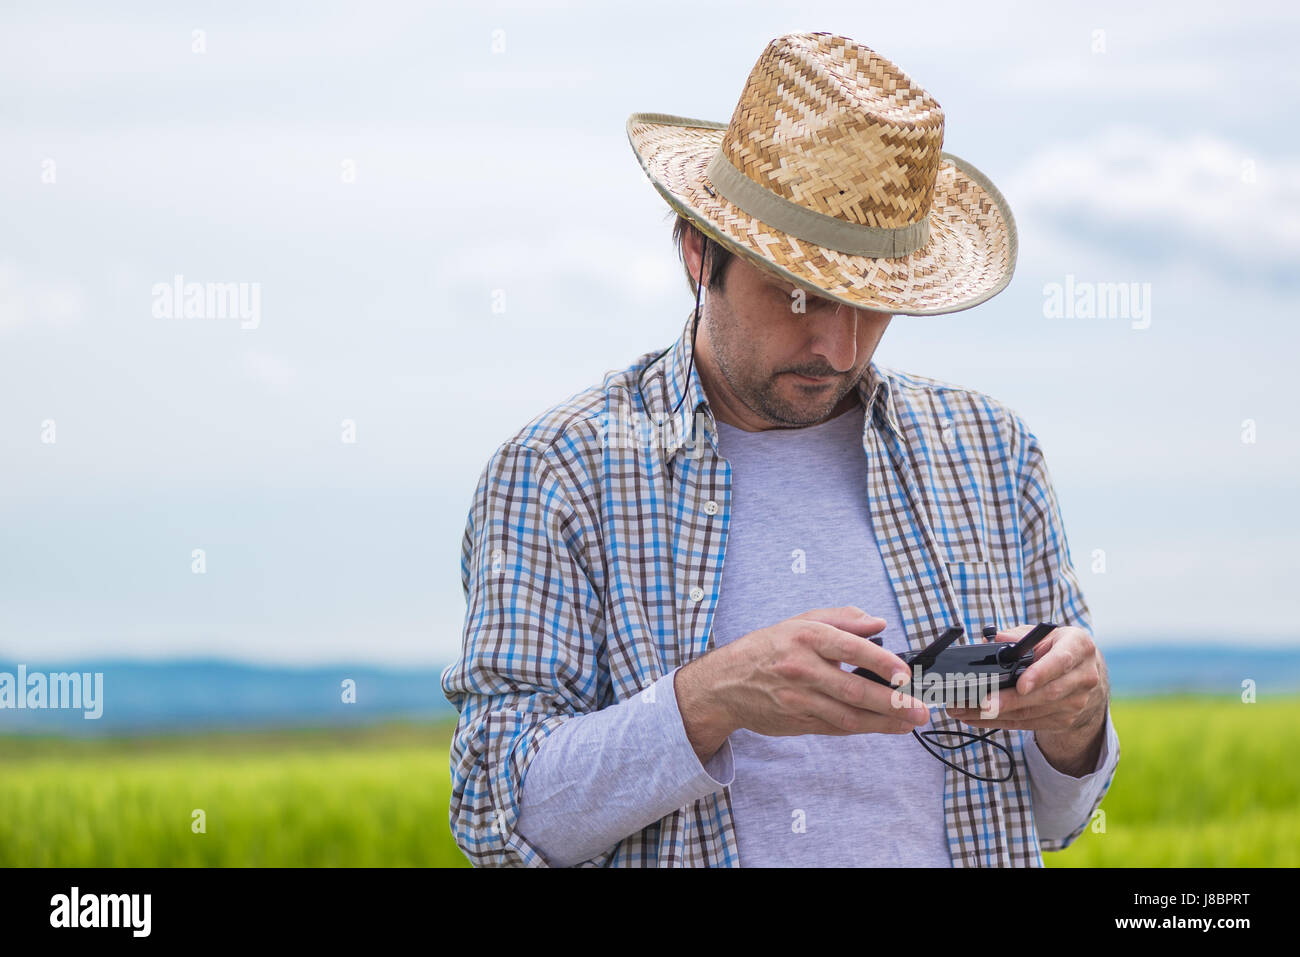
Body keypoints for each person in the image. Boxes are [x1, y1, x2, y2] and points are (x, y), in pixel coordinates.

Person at [441, 31, 1118, 867]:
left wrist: (1076, 723)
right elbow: (492, 815)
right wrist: (712, 698)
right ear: (698, 250)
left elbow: (1054, 819)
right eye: (799, 295)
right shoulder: (558, 473)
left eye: (871, 303)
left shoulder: (990, 452)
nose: (837, 345)